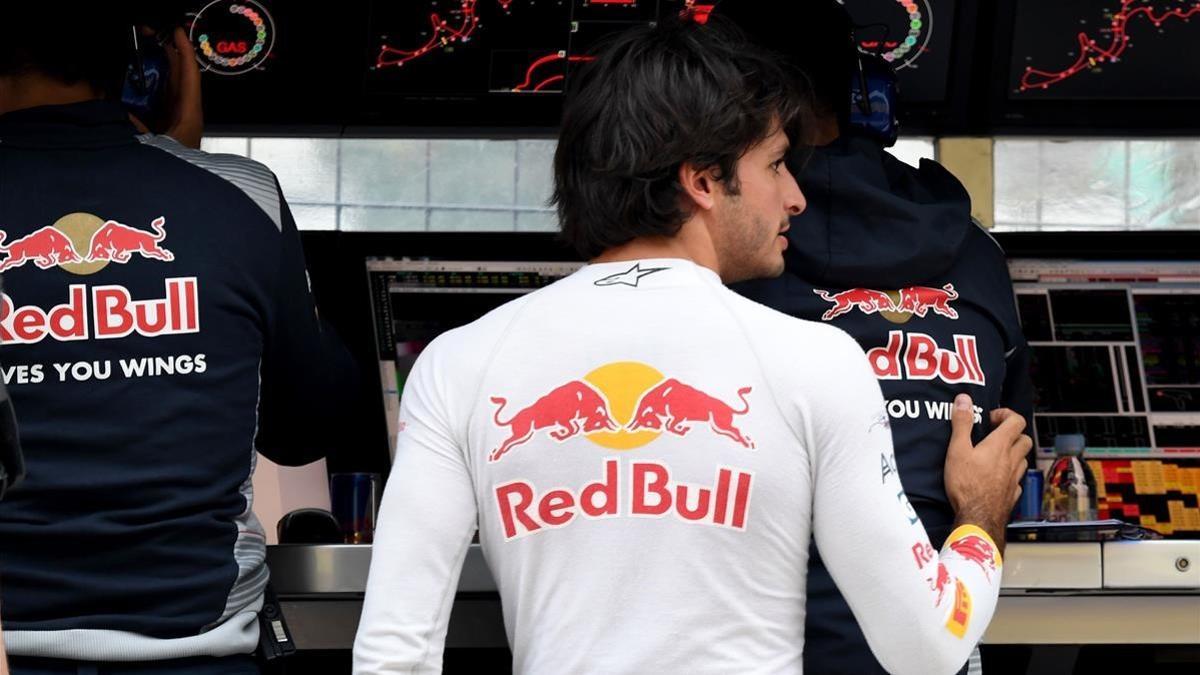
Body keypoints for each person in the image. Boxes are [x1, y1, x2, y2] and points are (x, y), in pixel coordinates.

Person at [354, 16, 1030, 675]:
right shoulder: (815, 362)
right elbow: (929, 645)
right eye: (774, 165)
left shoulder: (457, 364)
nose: (796, 196)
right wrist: (977, 516)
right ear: (702, 180)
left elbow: (391, 654)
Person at [0, 4, 355, 673]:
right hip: (196, 652)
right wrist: (185, 178)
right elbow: (306, 427)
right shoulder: (238, 197)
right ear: (155, 70)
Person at [713, 2, 1035, 673]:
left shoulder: (717, 251)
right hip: (931, 635)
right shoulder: (974, 253)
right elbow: (1011, 448)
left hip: (746, 645)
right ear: (864, 94)